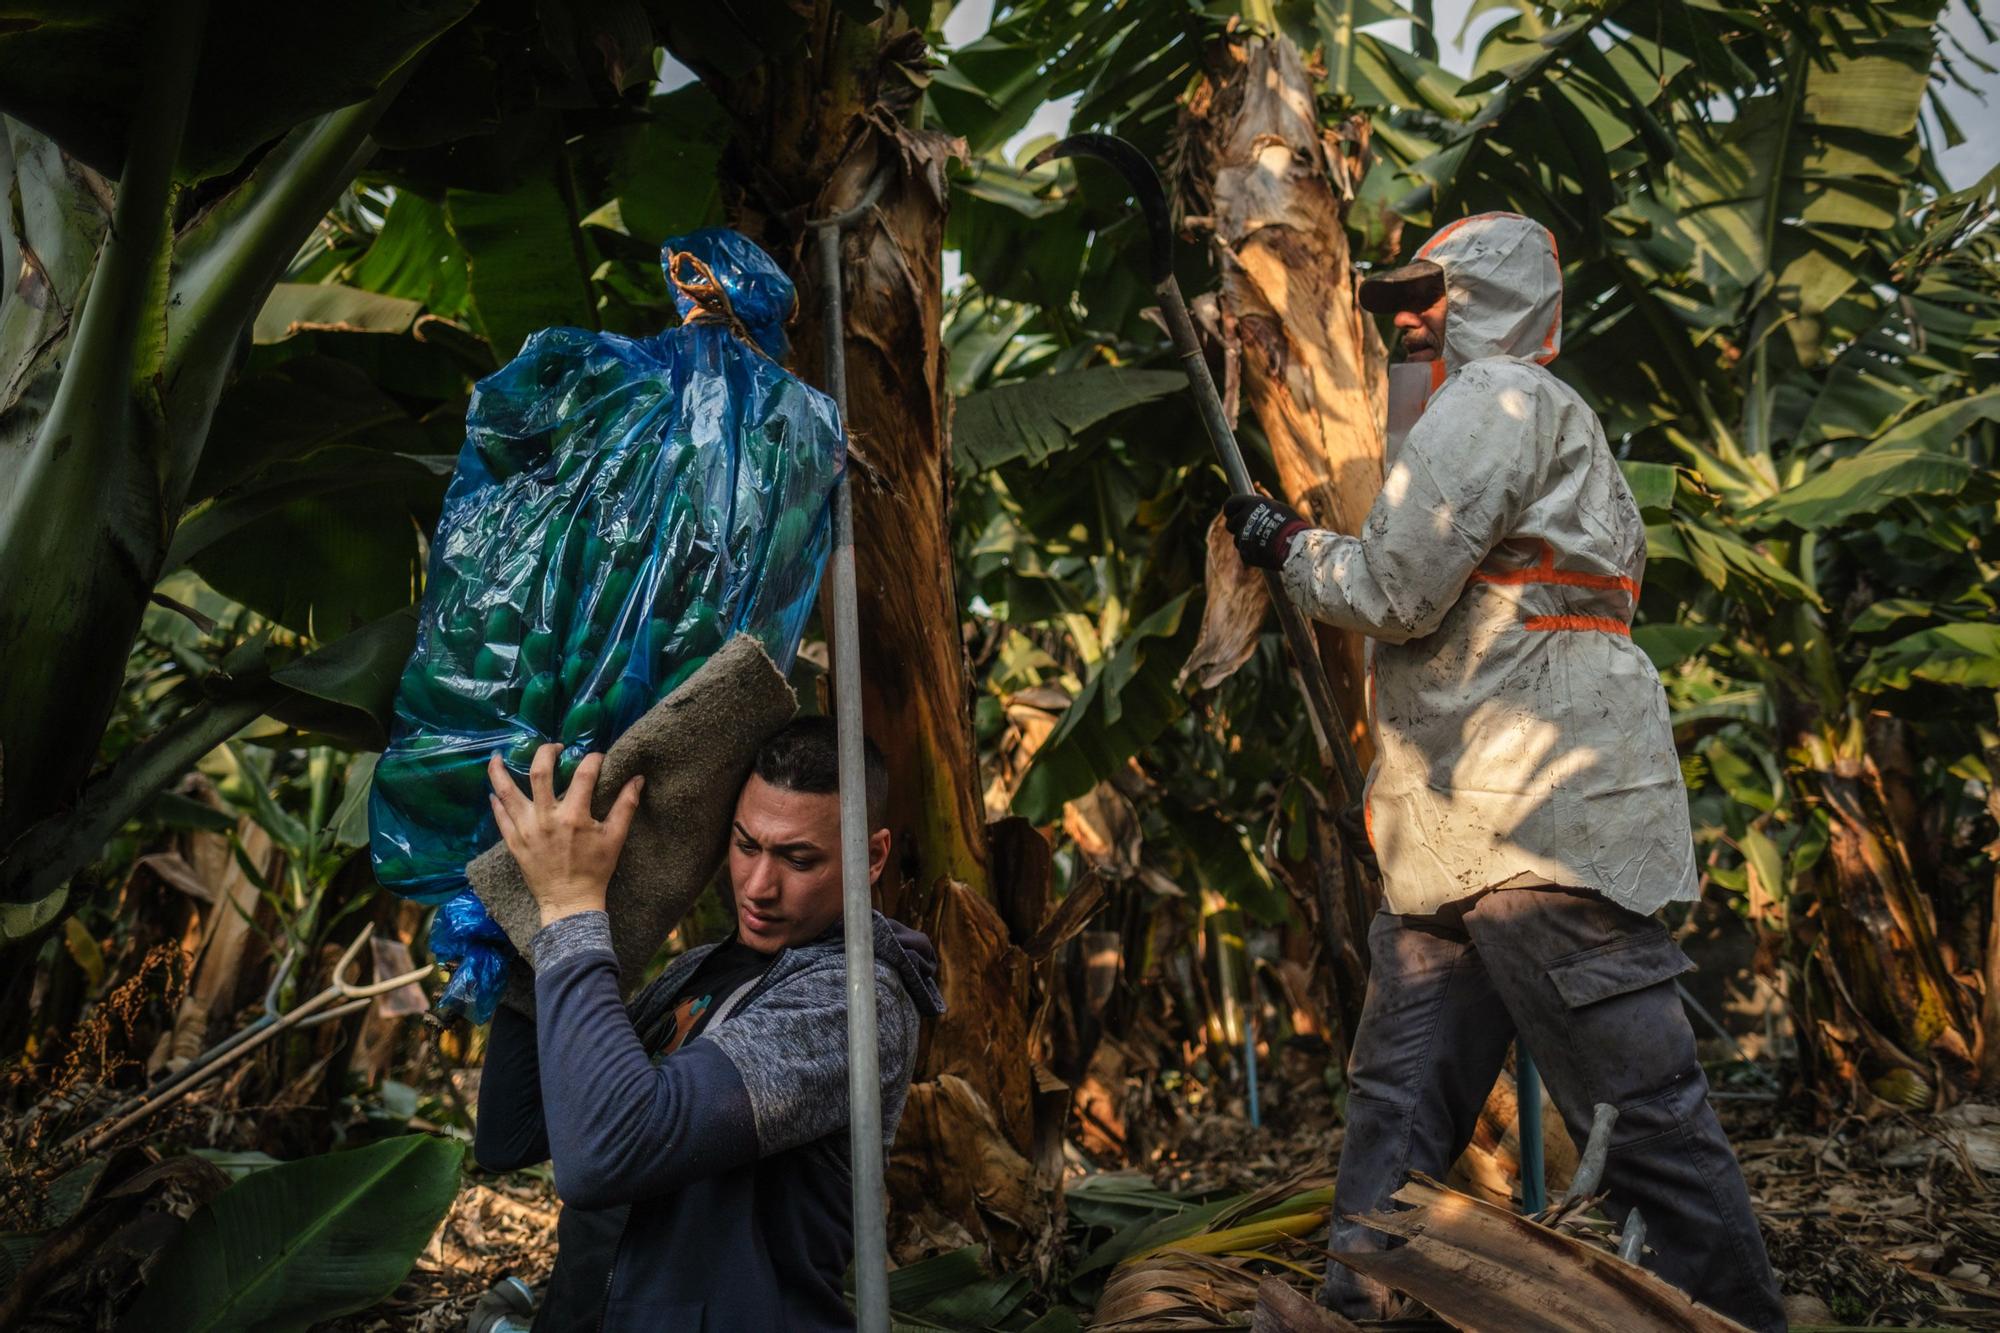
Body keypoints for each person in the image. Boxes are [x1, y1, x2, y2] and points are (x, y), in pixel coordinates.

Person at [1223, 212, 1786, 1331]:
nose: (1410, 320)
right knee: (1399, 1103)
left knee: (1640, 1114)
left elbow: (1391, 593)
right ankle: (1363, 1305)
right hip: (1462, 830)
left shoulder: (1494, 405)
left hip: (1528, 825)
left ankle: (1732, 1317)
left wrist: (1284, 547)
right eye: (1398, 303)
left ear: (1497, 301)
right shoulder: (1521, 416)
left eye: (1431, 296)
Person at [472, 716, 944, 1331]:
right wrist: (527, 927)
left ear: (872, 856)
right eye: (746, 845)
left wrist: (568, 907)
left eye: (798, 860)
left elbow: (602, 1158)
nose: (758, 886)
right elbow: (513, 1135)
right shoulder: (701, 968)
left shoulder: (855, 1000)